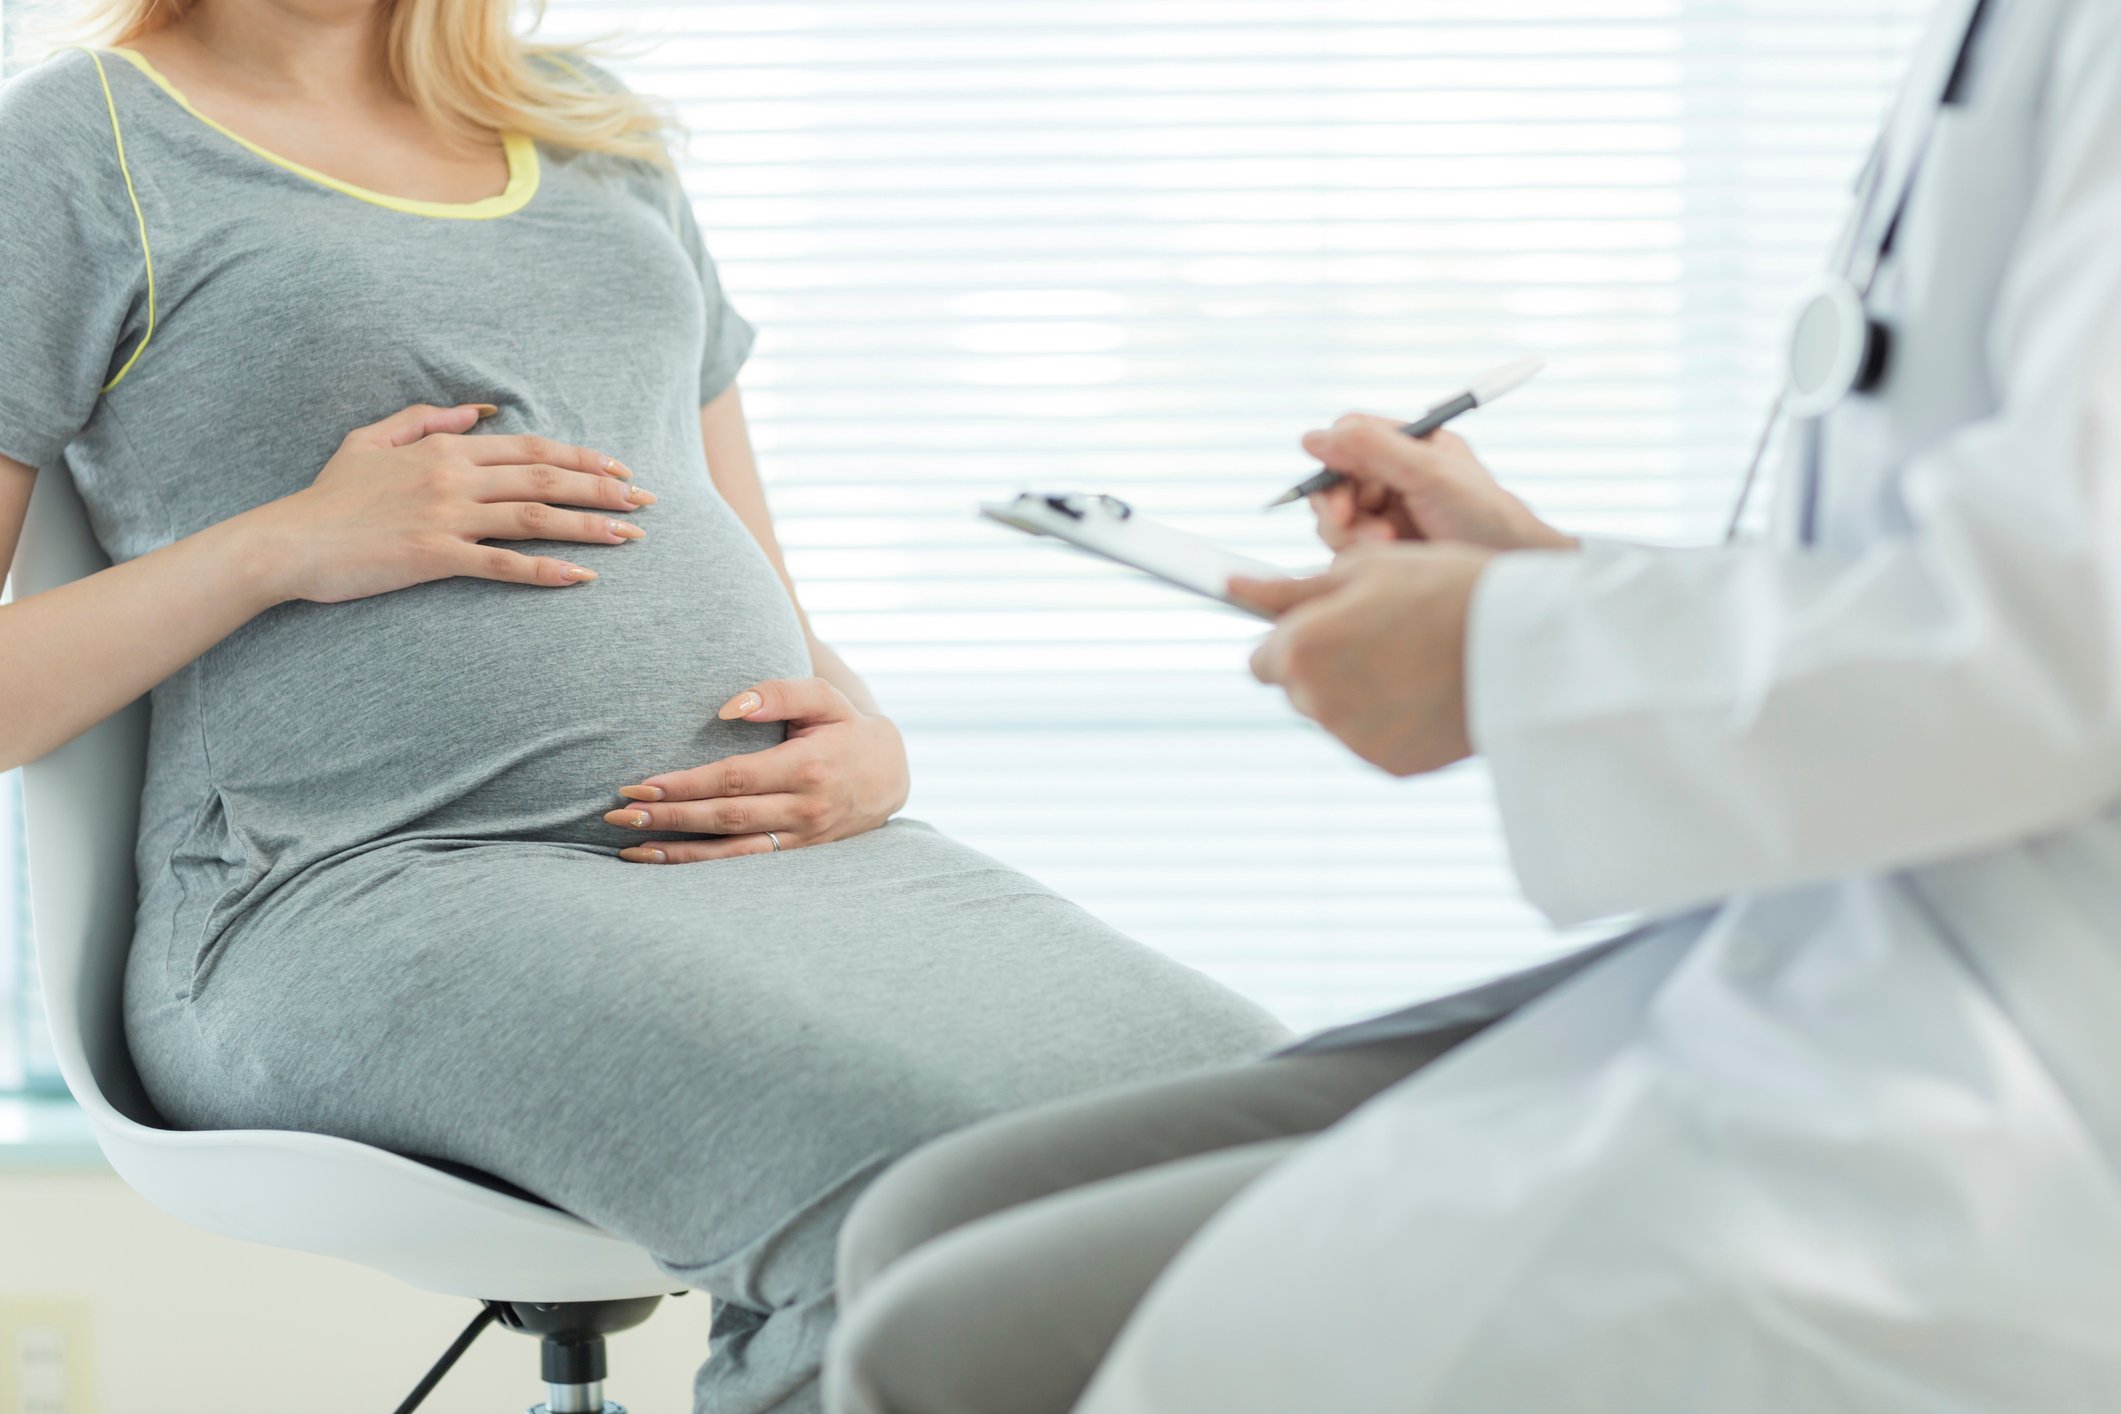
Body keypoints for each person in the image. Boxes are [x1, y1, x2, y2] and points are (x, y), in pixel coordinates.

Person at [823, 1, 2121, 1410]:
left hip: (2018, 1061)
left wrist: (1508, 646)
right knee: (919, 1221)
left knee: (957, 1347)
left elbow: (2069, 630)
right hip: (1848, 935)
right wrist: (1537, 580)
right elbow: (1938, 553)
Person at [0, 5, 1290, 1411]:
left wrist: (862, 738)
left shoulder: (584, 123)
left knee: (1273, 1130)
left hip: (775, 861)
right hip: (360, 882)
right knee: (919, 1208)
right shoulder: (78, 151)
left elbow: (732, 539)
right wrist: (284, 543)